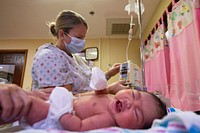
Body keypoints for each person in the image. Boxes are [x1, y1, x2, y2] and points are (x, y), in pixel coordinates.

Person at [31, 10, 120, 94]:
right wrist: (109, 90)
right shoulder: (48, 57)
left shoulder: (76, 59)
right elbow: (61, 101)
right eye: (79, 37)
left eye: (84, 38)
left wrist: (109, 74)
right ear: (62, 34)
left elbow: (89, 85)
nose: (82, 42)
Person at [20, 86, 166, 131]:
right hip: (63, 102)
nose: (130, 103)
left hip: (54, 117)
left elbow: (79, 127)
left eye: (136, 113)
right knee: (28, 94)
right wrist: (100, 88)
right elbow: (94, 96)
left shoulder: (107, 120)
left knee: (29, 104)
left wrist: (61, 112)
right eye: (134, 95)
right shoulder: (111, 97)